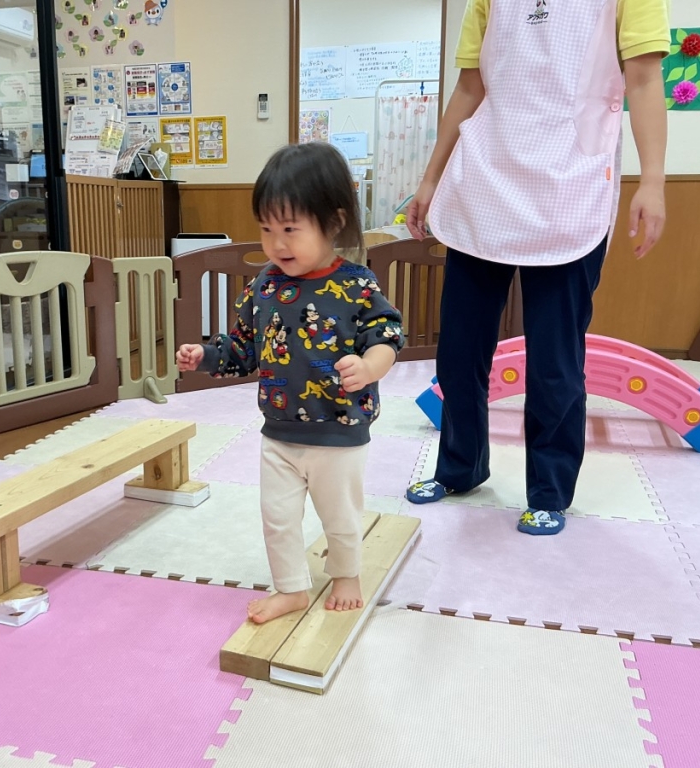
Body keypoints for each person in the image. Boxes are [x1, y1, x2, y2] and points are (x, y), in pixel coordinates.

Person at [404, 0, 669, 535]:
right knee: (459, 352)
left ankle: (548, 490)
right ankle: (460, 467)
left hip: (569, 183)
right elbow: (469, 87)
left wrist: (654, 181)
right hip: (485, 179)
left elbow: (642, 80)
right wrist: (431, 177)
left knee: (554, 362)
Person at [176, 142, 405, 624]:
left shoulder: (357, 285)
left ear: (333, 222)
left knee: (339, 519)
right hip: (278, 430)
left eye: (290, 230)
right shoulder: (264, 286)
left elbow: (387, 337)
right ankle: (292, 588)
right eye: (266, 229)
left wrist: (369, 368)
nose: (277, 244)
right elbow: (242, 348)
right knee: (277, 520)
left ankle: (346, 575)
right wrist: (205, 355)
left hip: (338, 431)